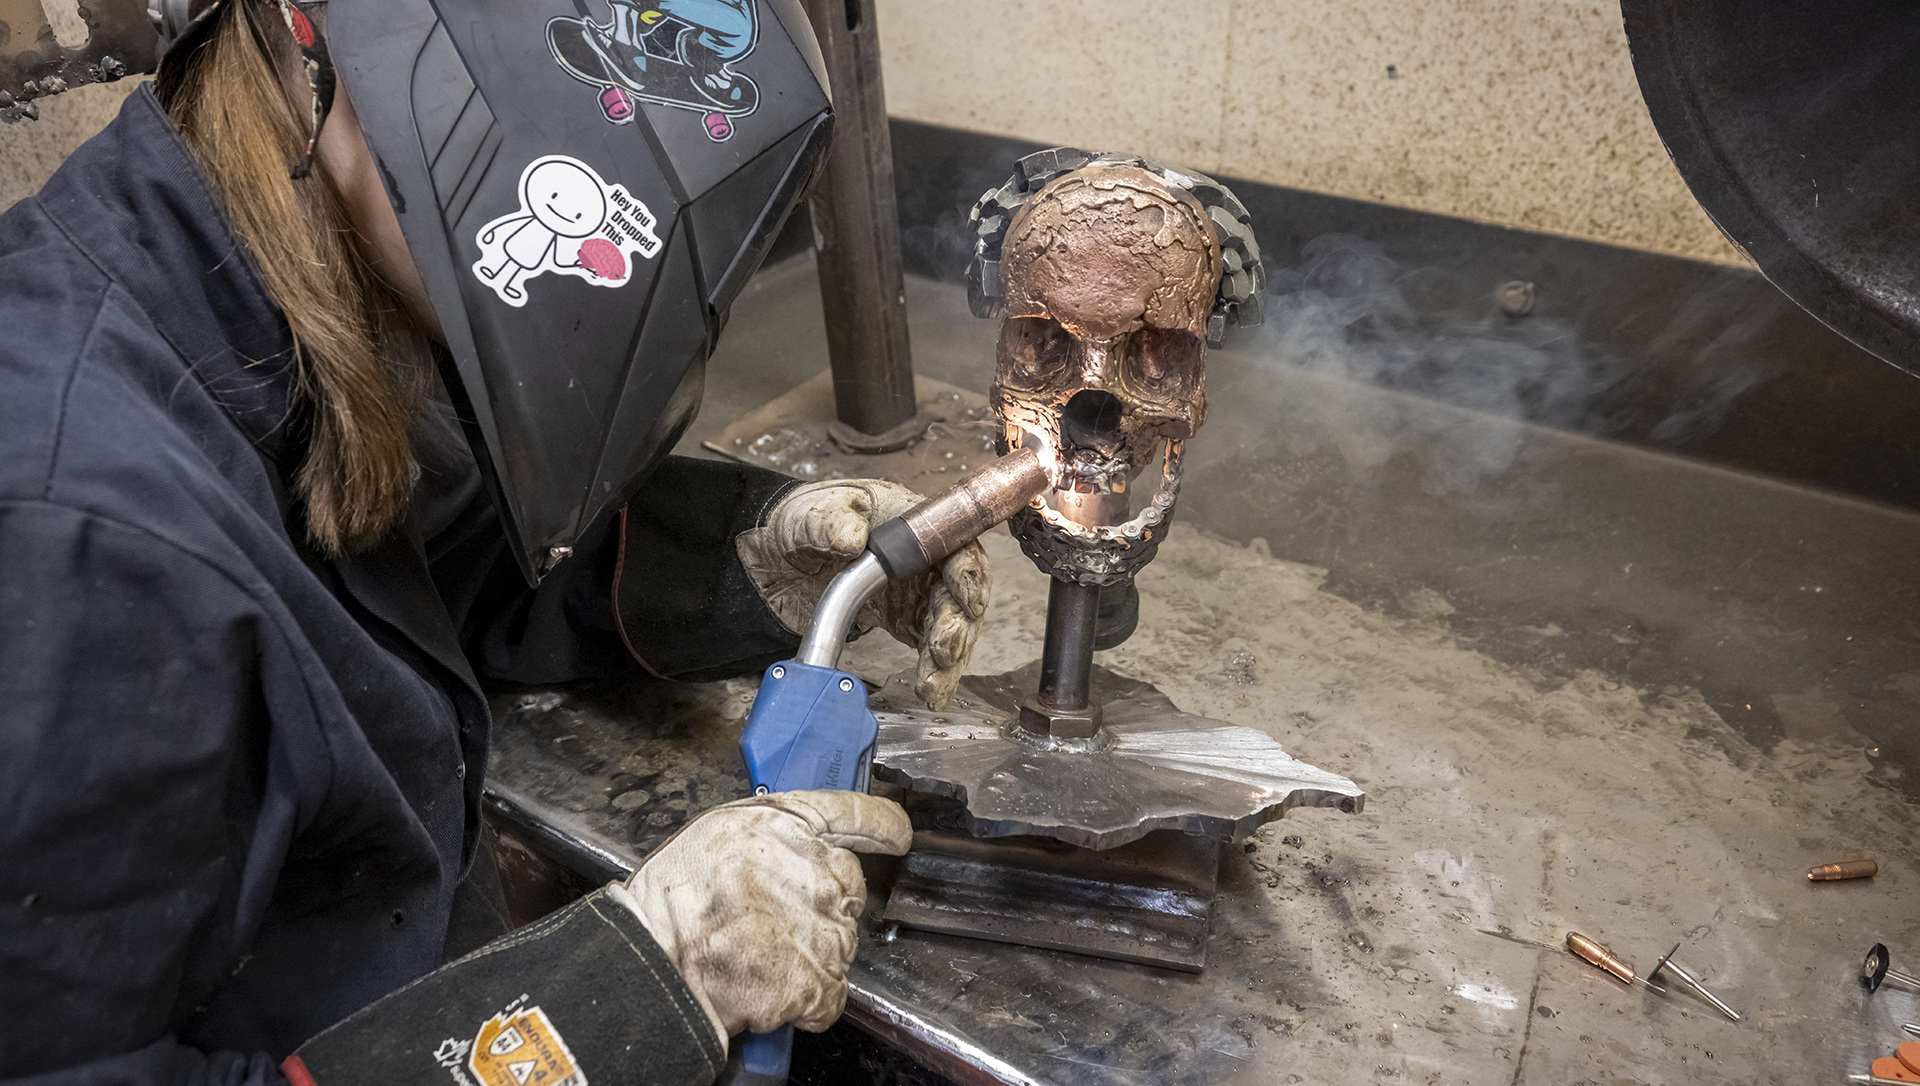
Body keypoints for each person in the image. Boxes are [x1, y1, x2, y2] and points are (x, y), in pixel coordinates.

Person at [0, 1, 988, 1084]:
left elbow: (415, 585)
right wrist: (631, 991)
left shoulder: (268, 297)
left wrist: (745, 564)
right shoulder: (74, 542)